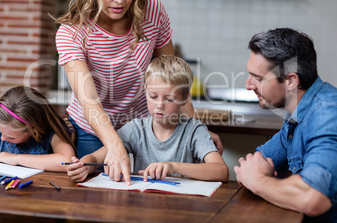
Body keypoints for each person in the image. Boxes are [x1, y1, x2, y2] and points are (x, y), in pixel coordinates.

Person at [55, 0, 222, 184]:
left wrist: (192, 130)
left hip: (146, 131)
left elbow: (173, 78)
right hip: (92, 132)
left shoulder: (152, 10)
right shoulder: (73, 31)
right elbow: (89, 100)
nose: (119, 0)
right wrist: (114, 145)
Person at [234, 28, 337, 223]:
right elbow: (251, 166)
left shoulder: (330, 116)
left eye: (258, 78)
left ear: (291, 81)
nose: (248, 85)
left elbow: (313, 198)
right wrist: (257, 177)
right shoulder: (298, 115)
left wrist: (259, 181)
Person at [65, 55, 229, 183]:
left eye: (169, 99)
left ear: (185, 99)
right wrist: (85, 166)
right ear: (145, 91)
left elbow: (221, 171)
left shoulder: (194, 131)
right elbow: (95, 158)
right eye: (153, 96)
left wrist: (172, 166)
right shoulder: (136, 129)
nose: (159, 105)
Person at [0, 86, 76, 172]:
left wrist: (16, 159)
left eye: (11, 137)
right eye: (1, 132)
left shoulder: (51, 133)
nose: (2, 137)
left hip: (41, 192)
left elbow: (67, 161)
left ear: (34, 129)